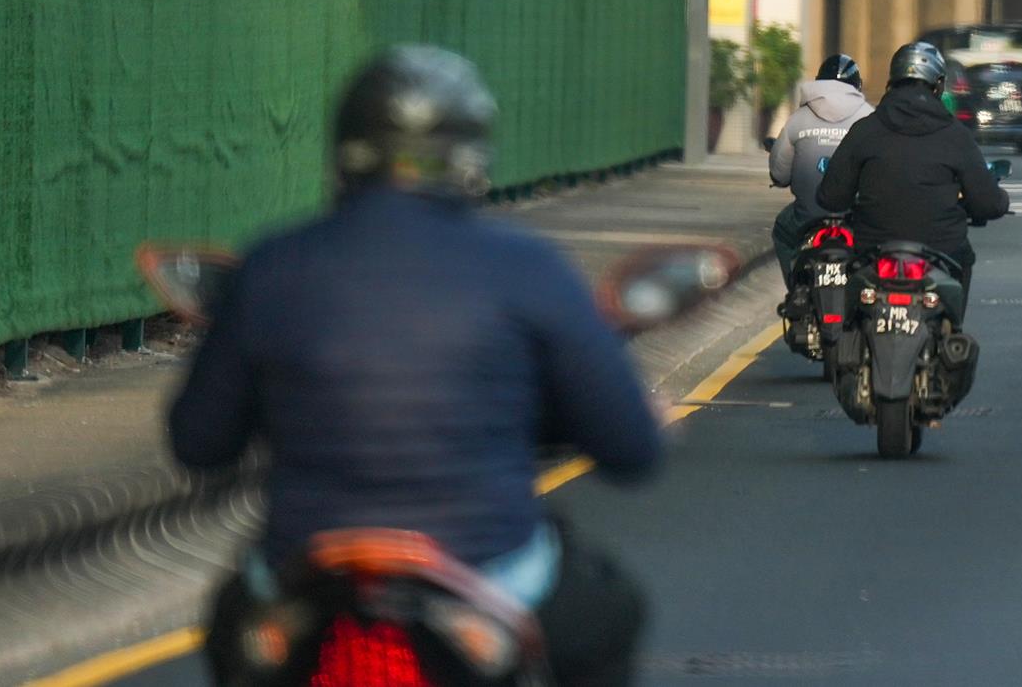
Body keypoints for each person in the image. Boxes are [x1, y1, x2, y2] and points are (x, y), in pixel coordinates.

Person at [167, 46, 657, 687]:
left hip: (309, 574)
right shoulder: (528, 269)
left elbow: (198, 444)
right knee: (610, 614)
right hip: (484, 571)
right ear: (472, 157)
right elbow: (630, 448)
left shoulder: (273, 267)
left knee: (234, 626)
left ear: (344, 150)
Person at [816, 40, 1010, 319]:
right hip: (941, 249)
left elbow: (831, 197)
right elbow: (988, 204)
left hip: (873, 249)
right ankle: (951, 328)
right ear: (937, 85)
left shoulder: (865, 130)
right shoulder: (955, 135)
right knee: (965, 259)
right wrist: (997, 200)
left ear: (892, 81)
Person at [768, 53, 874, 282]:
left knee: (782, 232)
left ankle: (795, 285)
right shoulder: (870, 117)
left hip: (807, 217)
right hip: (855, 218)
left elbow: (779, 174)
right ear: (856, 85)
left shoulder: (798, 119)